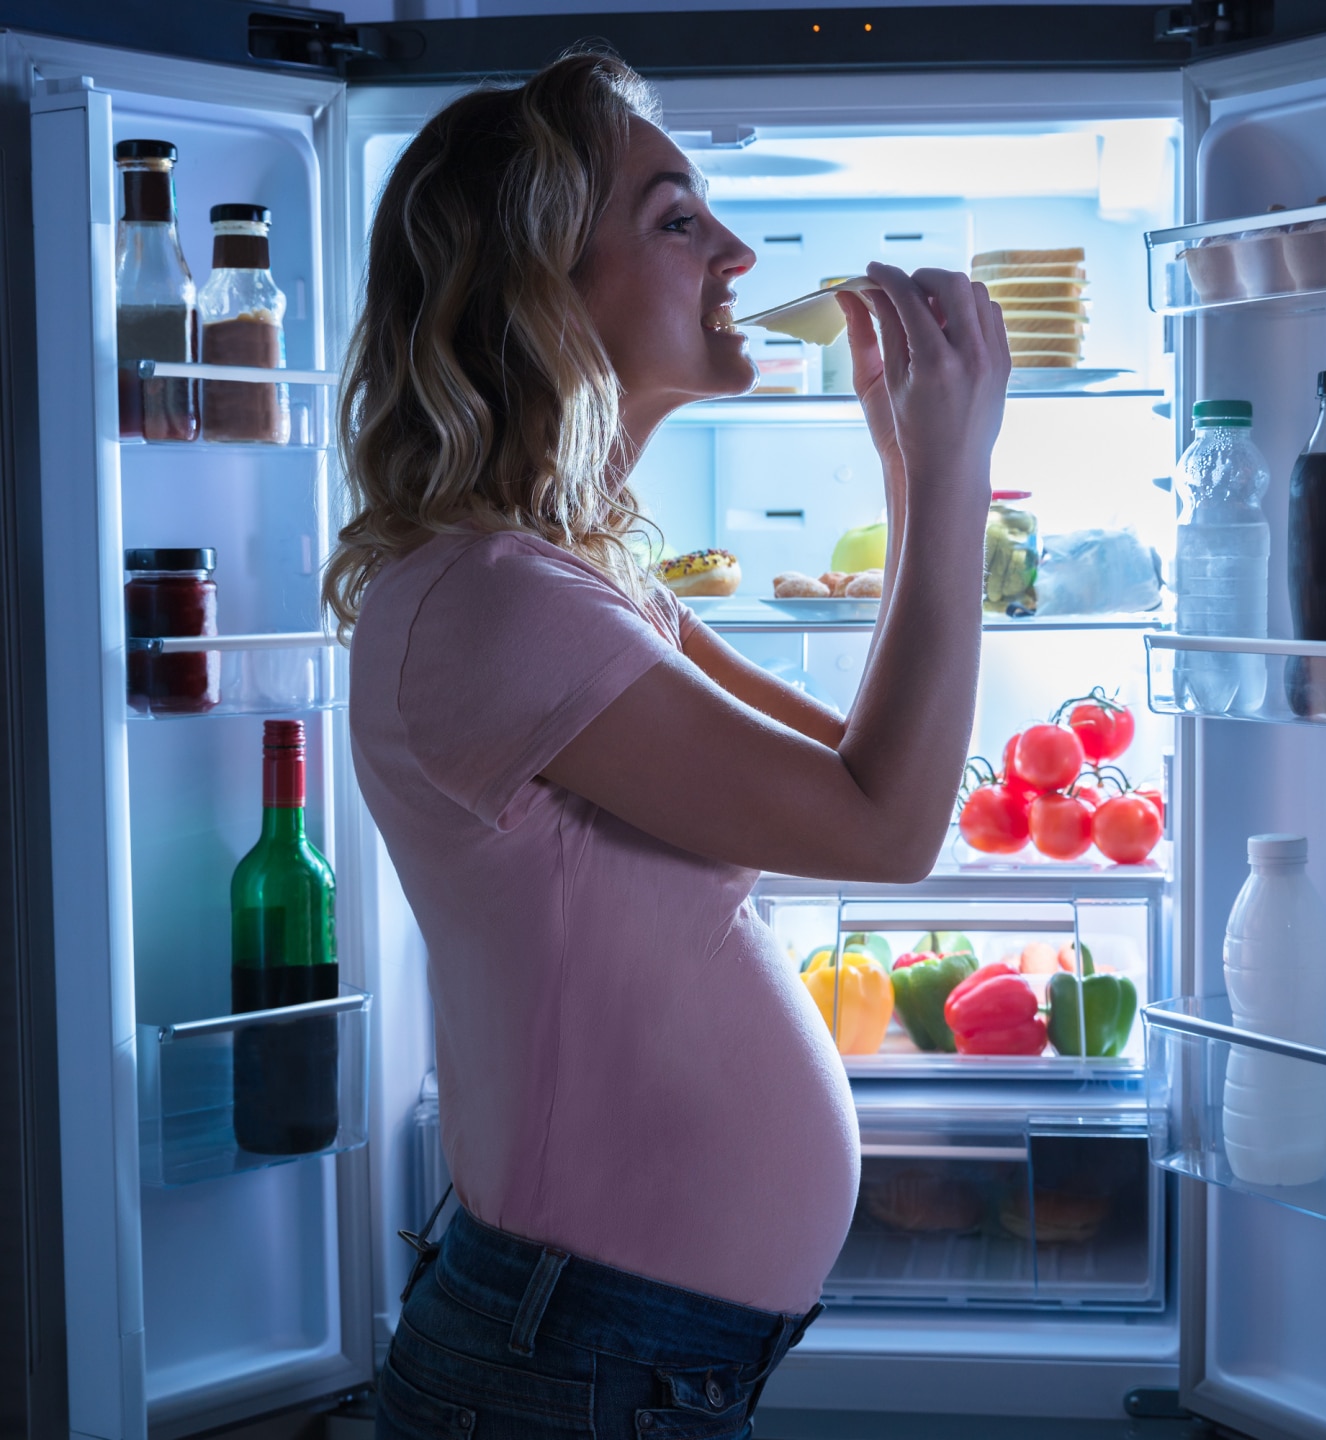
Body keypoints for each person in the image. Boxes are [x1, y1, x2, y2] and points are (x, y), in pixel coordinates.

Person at [326, 49, 1008, 1440]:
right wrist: (949, 484)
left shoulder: (574, 577)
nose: (741, 251)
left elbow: (859, 760)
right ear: (537, 289)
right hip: (569, 1351)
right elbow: (887, 827)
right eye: (678, 219)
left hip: (608, 1346)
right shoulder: (497, 603)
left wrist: (906, 464)